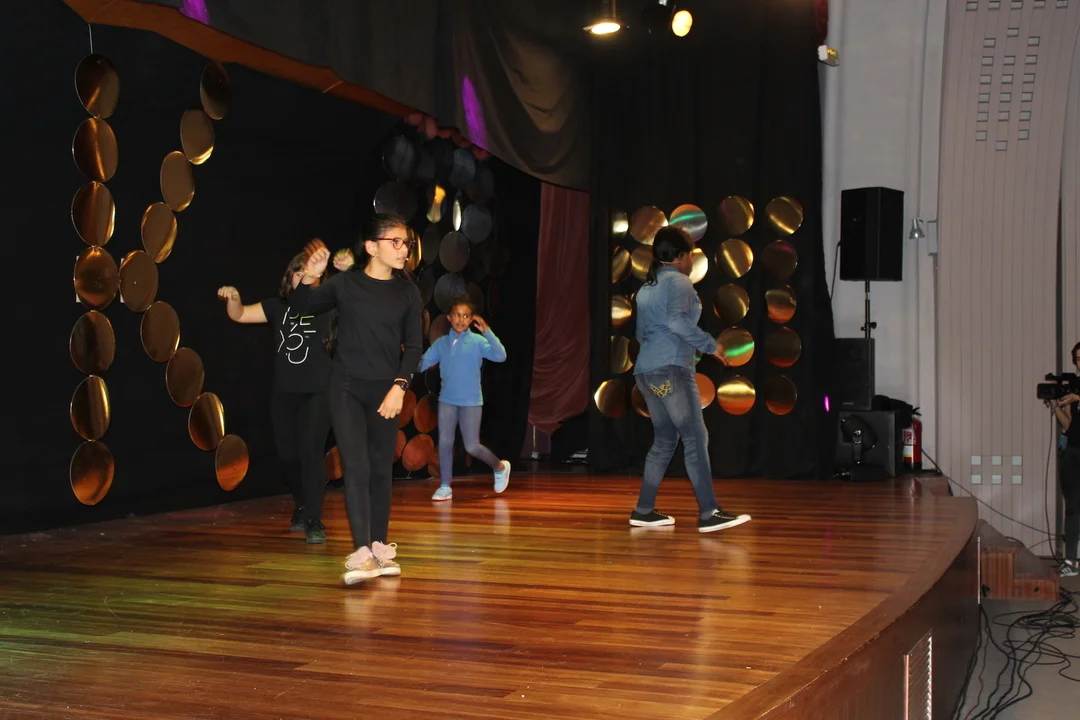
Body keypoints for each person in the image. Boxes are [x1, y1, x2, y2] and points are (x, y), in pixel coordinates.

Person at [292, 214, 423, 585]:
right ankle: (362, 551)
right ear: (372, 247)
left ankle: (379, 547)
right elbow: (301, 306)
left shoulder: (408, 293)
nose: (403, 249)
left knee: (381, 469)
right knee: (357, 466)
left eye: (406, 242)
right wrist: (308, 276)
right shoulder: (346, 284)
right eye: (395, 241)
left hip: (387, 392)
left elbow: (414, 347)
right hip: (347, 387)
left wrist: (399, 387)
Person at [630, 226, 751, 533]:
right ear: (682, 256)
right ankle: (709, 512)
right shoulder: (679, 282)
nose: (692, 261)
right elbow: (676, 322)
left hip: (646, 372)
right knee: (695, 438)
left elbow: (641, 334)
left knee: (665, 440)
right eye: (691, 255)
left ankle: (643, 510)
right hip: (671, 370)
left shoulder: (647, 288)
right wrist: (711, 345)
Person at [216, 240, 338, 544]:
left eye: (310, 272)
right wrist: (234, 299)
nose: (304, 276)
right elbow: (239, 315)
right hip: (285, 393)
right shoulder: (276, 306)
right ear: (289, 277)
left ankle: (314, 518)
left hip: (319, 391)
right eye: (299, 272)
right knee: (288, 456)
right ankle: (302, 504)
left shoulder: (329, 308)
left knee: (311, 452)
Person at [418, 295, 510, 501]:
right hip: (447, 401)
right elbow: (422, 364)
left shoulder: (477, 341)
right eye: (457, 315)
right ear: (449, 318)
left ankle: (500, 467)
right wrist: (407, 356)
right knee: (444, 443)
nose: (461, 319)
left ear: (471, 319)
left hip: (471, 402)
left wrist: (487, 332)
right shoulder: (441, 343)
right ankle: (445, 485)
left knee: (472, 446)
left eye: (466, 316)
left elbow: (500, 356)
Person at [1049, 341, 1080, 576]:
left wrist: (1077, 397)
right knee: (1072, 506)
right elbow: (1068, 426)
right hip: (1073, 451)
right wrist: (1056, 406)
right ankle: (1071, 561)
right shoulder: (1074, 389)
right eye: (1078, 359)